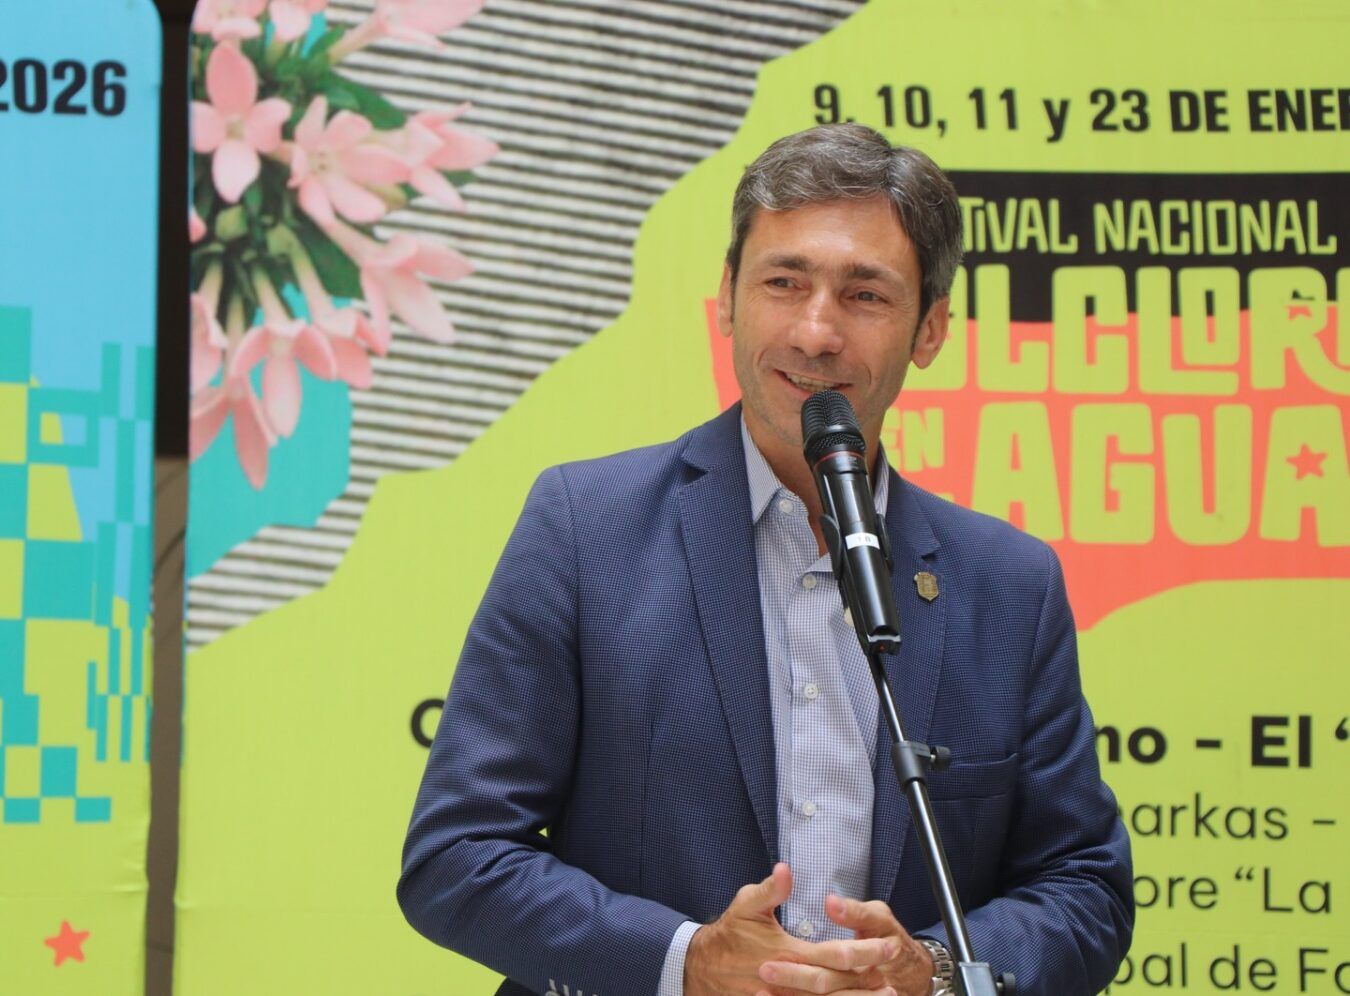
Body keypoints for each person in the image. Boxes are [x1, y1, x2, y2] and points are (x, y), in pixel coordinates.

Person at [398, 124, 1133, 996]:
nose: (816, 333)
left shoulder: (1008, 584)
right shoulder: (584, 530)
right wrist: (684, 962)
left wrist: (932, 972)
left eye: (865, 295)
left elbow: (1085, 888)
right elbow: (458, 856)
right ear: (727, 298)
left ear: (930, 328)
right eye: (784, 283)